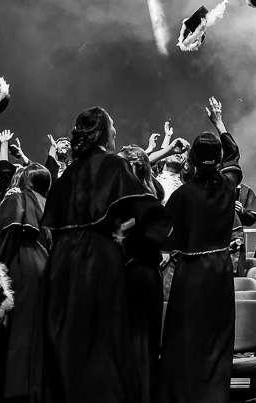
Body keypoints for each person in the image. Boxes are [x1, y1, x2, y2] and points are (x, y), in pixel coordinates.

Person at [33, 106, 169, 403]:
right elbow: (153, 215)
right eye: (112, 127)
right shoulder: (113, 165)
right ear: (103, 134)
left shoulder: (67, 174)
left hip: (60, 262)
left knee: (65, 338)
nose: (115, 133)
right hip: (97, 258)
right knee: (100, 340)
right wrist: (134, 245)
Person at [157, 98, 244, 403]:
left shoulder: (182, 195)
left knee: (186, 332)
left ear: (191, 159)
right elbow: (234, 154)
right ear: (218, 159)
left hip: (191, 272)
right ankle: (213, 394)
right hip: (220, 269)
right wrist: (219, 122)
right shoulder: (229, 185)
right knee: (216, 335)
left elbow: (160, 234)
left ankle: (184, 394)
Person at [0, 161, 53, 403]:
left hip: (19, 261)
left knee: (18, 329)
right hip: (41, 263)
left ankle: (15, 389)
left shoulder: (19, 198)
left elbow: (10, 233)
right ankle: (30, 387)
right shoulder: (46, 203)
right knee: (32, 328)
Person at [116, 143, 169, 403]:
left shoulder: (138, 199)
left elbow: (138, 237)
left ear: (134, 167)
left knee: (136, 339)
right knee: (137, 341)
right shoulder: (148, 194)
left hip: (134, 273)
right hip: (142, 272)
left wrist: (119, 234)